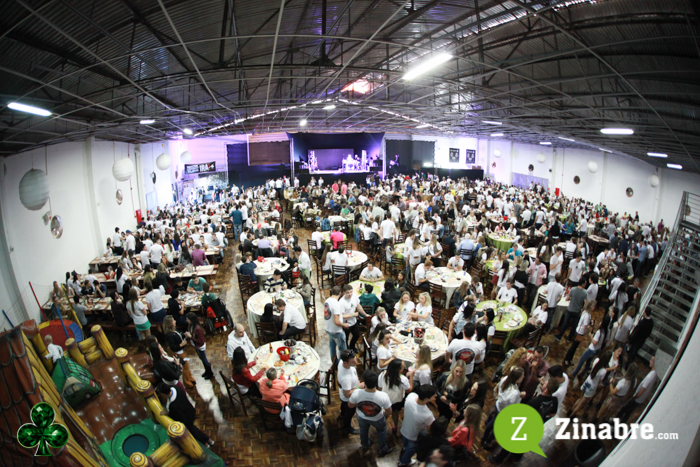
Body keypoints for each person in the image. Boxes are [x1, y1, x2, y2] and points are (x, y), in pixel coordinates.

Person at [348, 369, 394, 456]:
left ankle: (365, 445)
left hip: (362, 416)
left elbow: (350, 405)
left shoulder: (356, 393)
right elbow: (389, 411)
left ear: (364, 382)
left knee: (363, 430)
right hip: (378, 418)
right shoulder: (383, 396)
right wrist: (384, 414)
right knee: (381, 431)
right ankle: (382, 448)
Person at [155, 383, 214, 447]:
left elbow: (175, 415)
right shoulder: (177, 388)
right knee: (194, 429)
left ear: (163, 394)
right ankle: (208, 440)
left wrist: (168, 413)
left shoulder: (173, 405)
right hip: (190, 410)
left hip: (186, 419)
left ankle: (205, 442)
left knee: (193, 431)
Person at [481, 367, 525, 448]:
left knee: (493, 421)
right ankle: (488, 441)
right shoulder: (515, 393)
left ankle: (484, 437)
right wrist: (520, 396)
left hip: (499, 406)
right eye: (522, 376)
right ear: (517, 378)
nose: (523, 377)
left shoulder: (505, 379)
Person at [400, 385, 438, 467]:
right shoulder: (428, 415)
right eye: (433, 395)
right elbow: (430, 429)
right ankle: (404, 462)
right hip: (414, 436)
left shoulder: (411, 396)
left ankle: (404, 449)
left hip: (404, 429)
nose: (435, 395)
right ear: (426, 399)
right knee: (411, 450)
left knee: (405, 445)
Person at [569, 352, 611, 418]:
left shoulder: (596, 360)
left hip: (587, 381)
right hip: (592, 386)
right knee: (581, 403)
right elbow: (600, 381)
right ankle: (571, 416)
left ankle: (571, 410)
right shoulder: (603, 371)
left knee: (580, 398)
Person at [378, 359, 414, 436]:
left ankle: (381, 426)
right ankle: (395, 425)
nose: (404, 367)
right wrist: (411, 377)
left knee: (385, 413)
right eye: (403, 366)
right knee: (395, 412)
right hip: (396, 400)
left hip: (385, 399)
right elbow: (409, 390)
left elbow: (380, 388)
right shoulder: (402, 379)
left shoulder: (382, 375)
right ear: (399, 369)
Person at [617, 356, 657, 423]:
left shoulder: (649, 377)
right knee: (628, 413)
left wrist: (633, 397)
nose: (650, 361)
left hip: (637, 399)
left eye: (652, 360)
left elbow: (641, 391)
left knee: (623, 410)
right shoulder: (654, 373)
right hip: (641, 399)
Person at [572, 312, 611, 380]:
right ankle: (582, 374)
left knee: (581, 361)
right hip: (598, 349)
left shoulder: (599, 332)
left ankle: (573, 374)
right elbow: (606, 341)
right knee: (589, 362)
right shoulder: (607, 331)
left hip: (592, 349)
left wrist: (591, 336)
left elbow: (594, 343)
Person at [164, 315, 195, 389]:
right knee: (185, 368)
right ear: (170, 323)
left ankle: (190, 378)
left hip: (182, 351)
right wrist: (181, 344)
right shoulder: (170, 335)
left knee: (186, 366)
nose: (175, 321)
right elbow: (173, 348)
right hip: (179, 353)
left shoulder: (174, 330)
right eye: (173, 320)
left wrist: (184, 335)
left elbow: (179, 337)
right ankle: (187, 383)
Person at [337, 349, 362, 435]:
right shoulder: (346, 378)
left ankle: (342, 414)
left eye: (355, 359)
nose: (356, 362)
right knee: (350, 412)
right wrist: (359, 387)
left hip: (345, 390)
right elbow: (347, 394)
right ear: (345, 363)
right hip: (348, 398)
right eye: (353, 361)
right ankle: (347, 427)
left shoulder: (342, 362)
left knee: (344, 408)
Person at [186, 312, 213, 379]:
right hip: (196, 346)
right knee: (202, 359)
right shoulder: (191, 326)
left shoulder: (198, 328)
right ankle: (207, 371)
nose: (187, 321)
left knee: (204, 360)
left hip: (200, 346)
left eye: (188, 319)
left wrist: (190, 337)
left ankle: (210, 373)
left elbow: (200, 341)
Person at [324, 286, 349, 360]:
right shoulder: (336, 304)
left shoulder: (327, 301)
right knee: (342, 350)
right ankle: (341, 364)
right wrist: (344, 324)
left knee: (332, 347)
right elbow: (336, 321)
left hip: (328, 328)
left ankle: (334, 363)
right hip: (336, 331)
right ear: (340, 293)